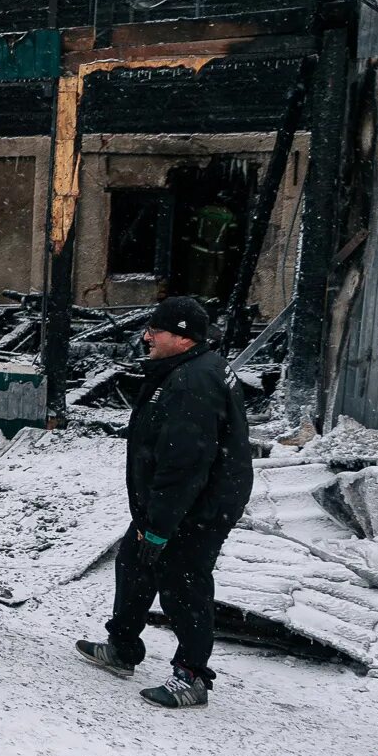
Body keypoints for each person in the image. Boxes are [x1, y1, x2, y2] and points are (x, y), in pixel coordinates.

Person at [76, 296, 252, 709]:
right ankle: (121, 648)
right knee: (134, 564)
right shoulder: (185, 369)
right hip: (175, 501)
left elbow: (184, 465)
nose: (147, 336)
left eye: (155, 330)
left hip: (197, 507)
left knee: (183, 584)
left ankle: (191, 677)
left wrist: (158, 525)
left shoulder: (193, 382)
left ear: (183, 338)